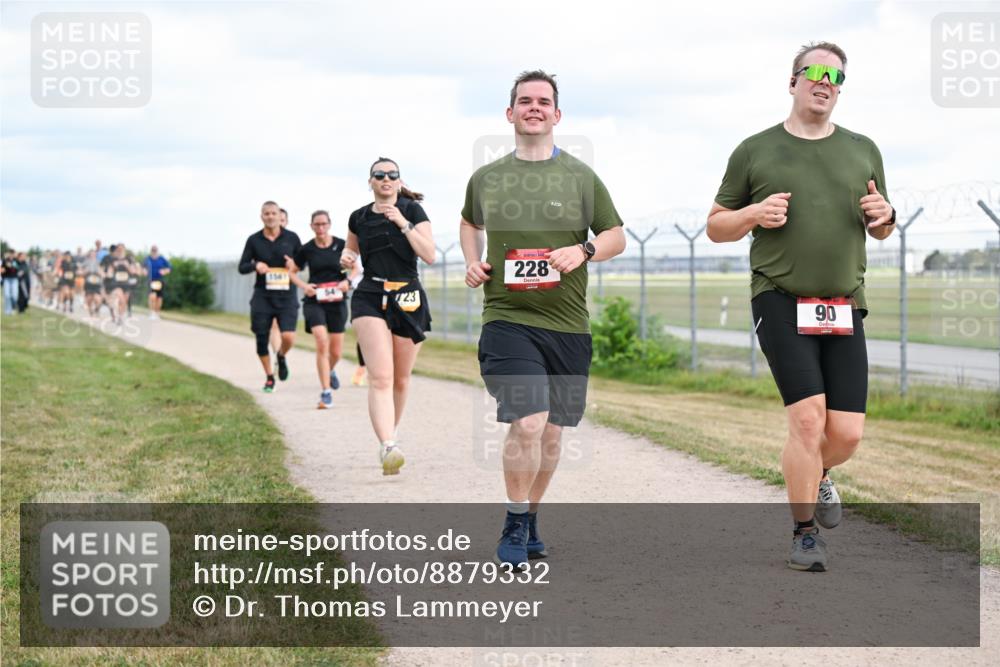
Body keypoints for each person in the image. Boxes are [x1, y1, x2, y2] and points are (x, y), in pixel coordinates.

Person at [707, 42, 896, 572]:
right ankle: (804, 532)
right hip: (780, 298)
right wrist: (753, 213)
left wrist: (886, 216)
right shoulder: (755, 150)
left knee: (847, 433)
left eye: (836, 75)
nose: (825, 81)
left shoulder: (863, 149)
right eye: (814, 71)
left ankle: (818, 475)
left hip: (844, 305)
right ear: (792, 82)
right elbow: (716, 225)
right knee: (809, 424)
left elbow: (881, 225)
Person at [460, 70, 626, 568]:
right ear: (510, 114)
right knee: (528, 421)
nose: (535, 108)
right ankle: (513, 520)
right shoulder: (487, 178)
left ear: (557, 114)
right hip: (507, 319)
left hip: (569, 326)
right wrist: (473, 260)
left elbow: (616, 235)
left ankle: (531, 517)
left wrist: (585, 249)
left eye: (544, 101)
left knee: (552, 433)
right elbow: (470, 221)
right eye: (525, 101)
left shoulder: (580, 176)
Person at [341, 157, 435, 475]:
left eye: (391, 175)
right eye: (378, 175)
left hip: (407, 295)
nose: (385, 178)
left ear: (398, 181)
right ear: (370, 181)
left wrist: (403, 224)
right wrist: (347, 257)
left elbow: (430, 254)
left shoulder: (412, 212)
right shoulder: (359, 217)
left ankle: (389, 437)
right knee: (380, 377)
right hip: (370, 295)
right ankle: (388, 446)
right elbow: (351, 251)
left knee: (400, 378)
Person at [288, 210, 355, 408]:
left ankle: (330, 370)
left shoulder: (342, 245)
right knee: (321, 340)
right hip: (315, 300)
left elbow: (357, 268)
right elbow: (291, 272)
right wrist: (304, 287)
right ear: (311, 226)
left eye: (323, 224)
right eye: (316, 225)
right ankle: (326, 392)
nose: (320, 228)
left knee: (336, 353)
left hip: (337, 301)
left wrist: (348, 281)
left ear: (329, 224)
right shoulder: (306, 249)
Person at [238, 201, 303, 392]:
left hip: (286, 296)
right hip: (262, 296)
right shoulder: (254, 240)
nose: (270, 216)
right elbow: (242, 267)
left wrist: (294, 264)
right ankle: (269, 377)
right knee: (261, 338)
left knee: (288, 336)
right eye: (266, 213)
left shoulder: (292, 238)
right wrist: (255, 266)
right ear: (261, 216)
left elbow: (302, 264)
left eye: (273, 213)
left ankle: (281, 356)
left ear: (279, 215)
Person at [105, 245, 133, 324]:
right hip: (116, 283)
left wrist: (127, 266)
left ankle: (120, 317)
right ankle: (115, 314)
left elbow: (132, 271)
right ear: (117, 251)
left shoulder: (128, 259)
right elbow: (109, 271)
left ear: (124, 250)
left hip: (126, 284)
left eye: (121, 249)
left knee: (124, 302)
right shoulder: (113, 260)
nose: (120, 251)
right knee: (121, 298)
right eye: (118, 249)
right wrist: (109, 274)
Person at [144, 245, 172, 320]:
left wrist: (165, 271)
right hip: (150, 280)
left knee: (158, 298)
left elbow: (169, 268)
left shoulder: (161, 259)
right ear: (151, 251)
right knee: (152, 296)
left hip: (159, 280)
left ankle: (157, 313)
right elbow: (143, 267)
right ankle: (152, 313)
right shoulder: (147, 259)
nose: (154, 252)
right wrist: (144, 271)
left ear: (157, 251)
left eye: (155, 250)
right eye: (153, 250)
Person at [82, 250, 104, 317]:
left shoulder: (99, 262)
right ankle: (91, 311)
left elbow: (102, 273)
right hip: (88, 283)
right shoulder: (86, 262)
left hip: (97, 283)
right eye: (91, 254)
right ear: (89, 255)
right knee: (89, 299)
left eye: (94, 254)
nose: (92, 255)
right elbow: (82, 272)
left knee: (98, 299)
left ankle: (97, 309)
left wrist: (100, 273)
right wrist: (86, 272)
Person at [2, 249, 18, 315]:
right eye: (10, 253)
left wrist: (11, 266)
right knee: (7, 295)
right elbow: (2, 269)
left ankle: (13, 308)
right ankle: (7, 311)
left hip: (14, 279)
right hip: (7, 279)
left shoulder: (16, 261)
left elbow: (18, 268)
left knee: (14, 296)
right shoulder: (5, 260)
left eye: (12, 253)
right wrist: (3, 270)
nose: (11, 255)